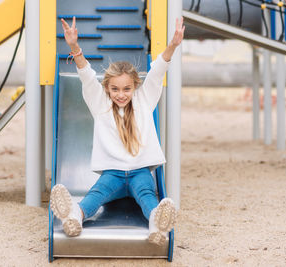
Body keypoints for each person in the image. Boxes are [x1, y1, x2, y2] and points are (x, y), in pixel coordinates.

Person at [50, 16, 185, 246]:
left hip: (140, 172)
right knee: (95, 196)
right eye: (114, 89)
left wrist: (172, 45)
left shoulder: (144, 101)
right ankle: (74, 217)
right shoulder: (100, 104)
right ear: (107, 88)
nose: (120, 94)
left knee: (148, 198)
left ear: (135, 87)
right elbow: (87, 76)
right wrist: (74, 46)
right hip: (112, 173)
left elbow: (157, 71)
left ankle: (157, 226)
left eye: (126, 89)